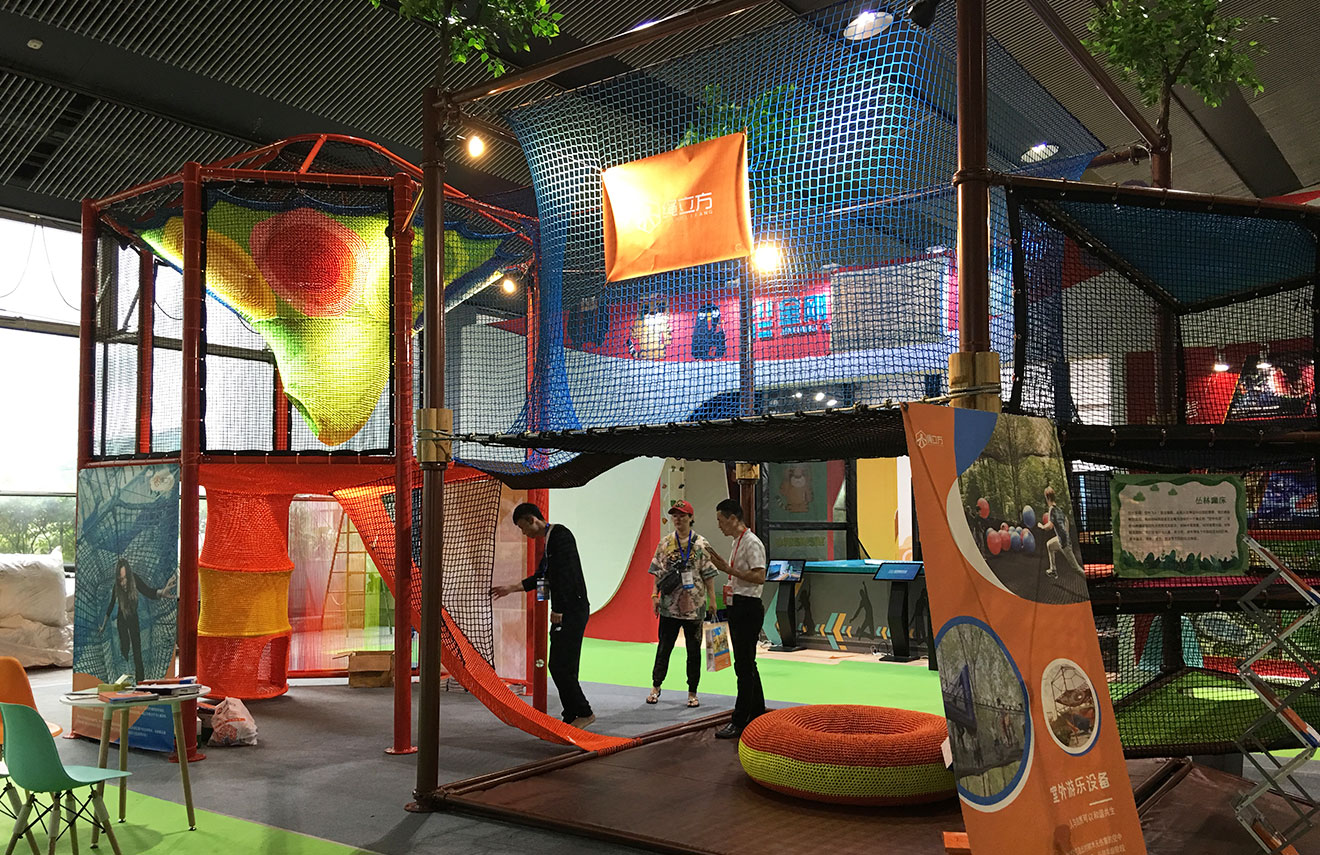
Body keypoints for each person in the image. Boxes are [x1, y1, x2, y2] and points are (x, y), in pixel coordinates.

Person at [491, 503, 595, 728]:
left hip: (571, 610)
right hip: (568, 609)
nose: (524, 533)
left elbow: (564, 575)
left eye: (523, 527)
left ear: (532, 520)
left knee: (559, 665)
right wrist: (511, 588)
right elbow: (543, 577)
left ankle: (584, 712)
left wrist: (558, 609)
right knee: (563, 666)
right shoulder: (549, 541)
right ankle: (571, 714)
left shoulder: (560, 536)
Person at [703, 498, 766, 739]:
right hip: (738, 605)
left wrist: (728, 570)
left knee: (743, 665)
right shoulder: (737, 542)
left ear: (732, 518)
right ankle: (757, 712)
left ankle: (740, 720)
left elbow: (759, 576)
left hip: (748, 606)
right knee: (748, 664)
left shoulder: (751, 542)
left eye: (721, 520)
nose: (719, 525)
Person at [647, 500, 718, 708]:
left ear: (690, 518)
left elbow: (708, 574)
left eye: (682, 515)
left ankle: (692, 692)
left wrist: (712, 599)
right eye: (675, 515)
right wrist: (654, 595)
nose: (678, 519)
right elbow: (657, 572)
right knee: (664, 648)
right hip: (669, 606)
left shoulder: (701, 544)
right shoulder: (665, 543)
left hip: (694, 606)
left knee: (693, 651)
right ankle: (656, 686)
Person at [98, 557, 177, 682]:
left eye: (125, 578)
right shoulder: (116, 587)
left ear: (129, 575)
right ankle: (126, 673)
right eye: (120, 579)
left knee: (137, 649)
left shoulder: (134, 579)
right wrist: (103, 626)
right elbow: (110, 606)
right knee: (124, 647)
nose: (123, 583)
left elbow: (148, 591)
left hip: (132, 617)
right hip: (121, 618)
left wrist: (162, 592)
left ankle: (140, 680)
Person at [1040, 486, 1084, 579]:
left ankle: (1088, 578)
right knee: (1049, 545)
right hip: (1061, 539)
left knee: (1076, 568)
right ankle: (1053, 570)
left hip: (1064, 542)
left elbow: (1050, 526)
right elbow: (1066, 521)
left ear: (1047, 498)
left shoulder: (1052, 509)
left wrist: (1042, 526)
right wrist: (1065, 533)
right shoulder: (1059, 510)